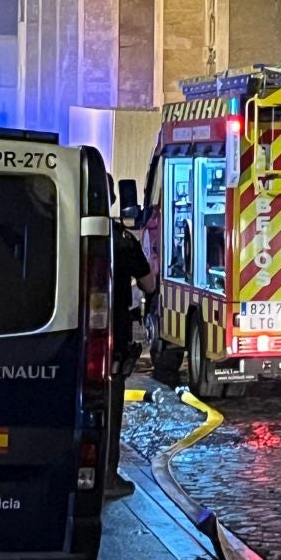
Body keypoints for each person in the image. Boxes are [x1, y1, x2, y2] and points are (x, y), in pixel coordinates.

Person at [107, 186, 158, 499]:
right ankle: (107, 477)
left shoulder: (63, 228)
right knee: (111, 409)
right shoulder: (121, 241)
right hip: (112, 336)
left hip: (66, 333)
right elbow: (149, 283)